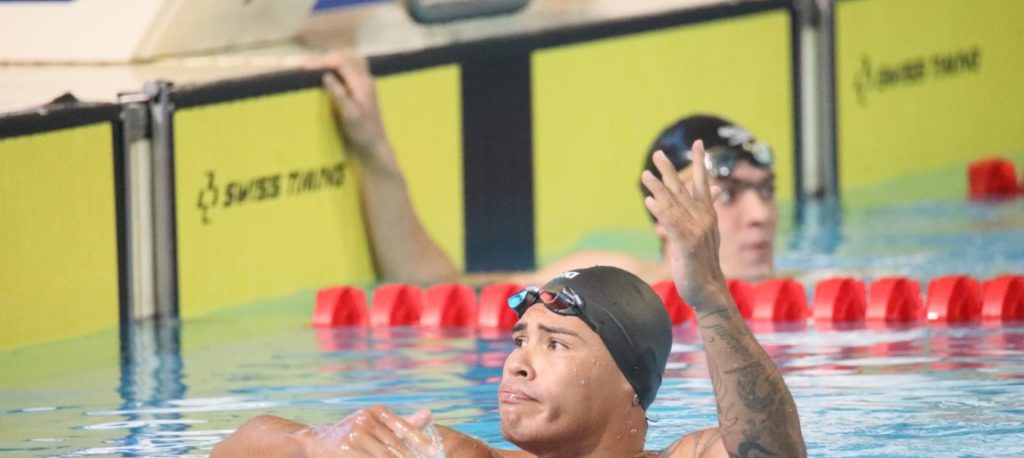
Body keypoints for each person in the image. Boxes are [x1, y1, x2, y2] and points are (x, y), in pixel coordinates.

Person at [204, 140, 807, 458]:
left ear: (631, 384)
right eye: (521, 340)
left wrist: (708, 295)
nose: (517, 362)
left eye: (557, 344)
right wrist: (315, 445)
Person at [304, 51, 779, 284]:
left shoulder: (816, 293)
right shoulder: (611, 280)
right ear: (663, 212)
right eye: (731, 193)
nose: (761, 215)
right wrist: (374, 152)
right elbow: (435, 291)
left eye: (766, 190)